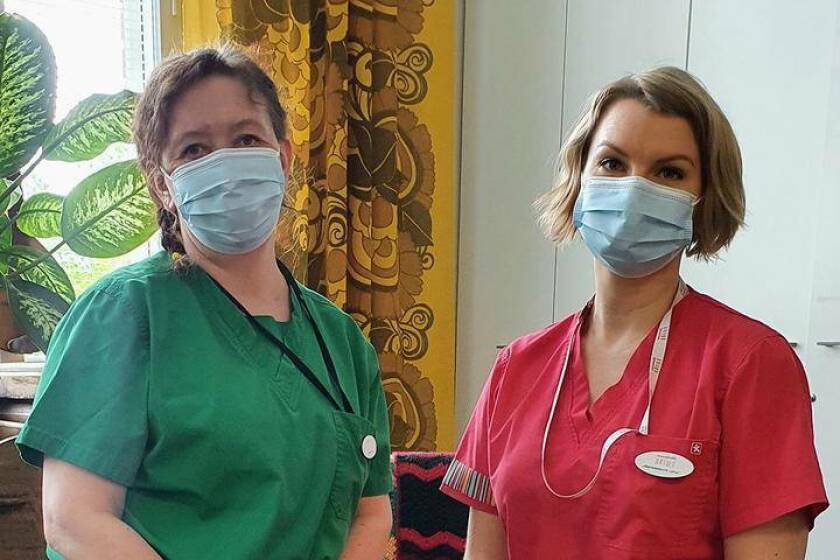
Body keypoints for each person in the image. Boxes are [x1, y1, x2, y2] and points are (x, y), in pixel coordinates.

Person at [16, 46, 393, 560]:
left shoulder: (341, 342)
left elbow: (370, 512)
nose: (225, 163)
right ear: (162, 186)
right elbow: (75, 520)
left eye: (246, 139)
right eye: (194, 149)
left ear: (283, 158)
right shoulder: (122, 315)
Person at [441, 66, 828, 559]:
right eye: (612, 163)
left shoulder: (750, 364)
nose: (633, 190)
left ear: (703, 199)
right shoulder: (516, 368)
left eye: (669, 172)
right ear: (579, 180)